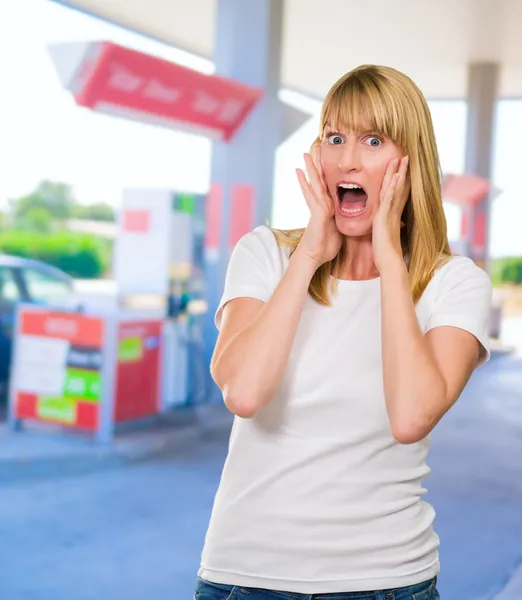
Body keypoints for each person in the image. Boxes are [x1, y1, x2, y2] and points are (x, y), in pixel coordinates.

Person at [193, 65, 492, 600]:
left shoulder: (455, 285)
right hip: (246, 577)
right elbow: (244, 393)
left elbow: (410, 417)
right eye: (335, 138)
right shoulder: (265, 254)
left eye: (373, 140)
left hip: (387, 581)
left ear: (410, 162)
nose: (347, 159)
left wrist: (390, 263)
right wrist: (308, 254)